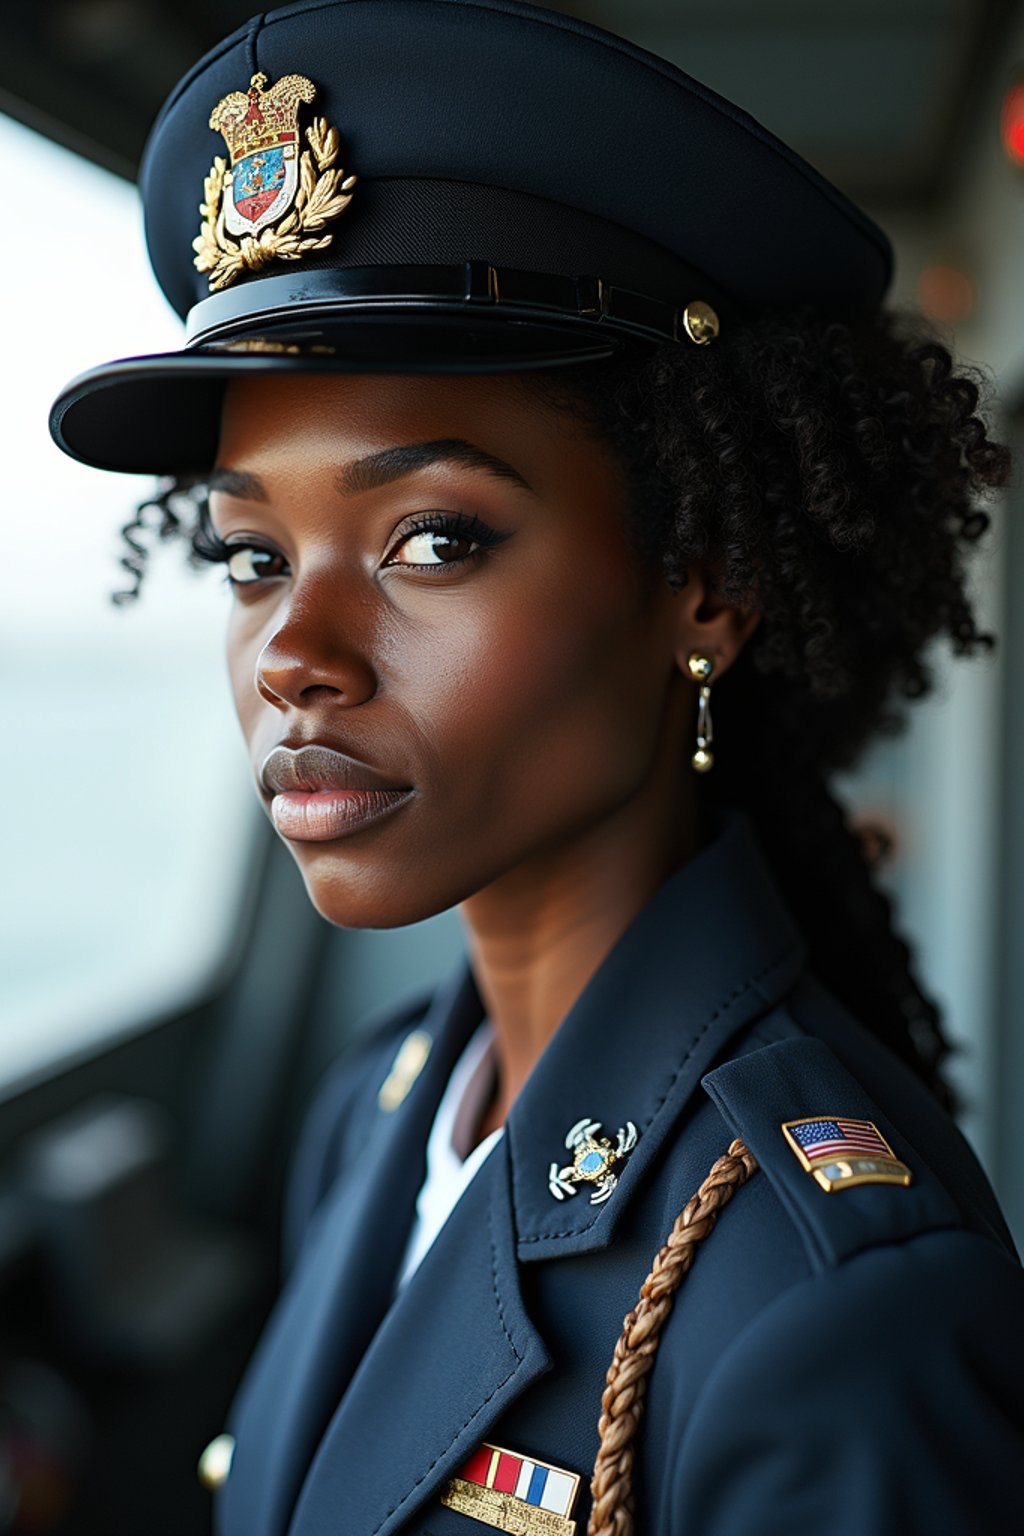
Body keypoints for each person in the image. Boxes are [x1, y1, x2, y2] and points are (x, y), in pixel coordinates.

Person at [48, 1, 1024, 1532]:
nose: (295, 651)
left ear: (703, 586)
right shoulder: (379, 1107)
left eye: (434, 539)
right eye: (250, 555)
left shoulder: (825, 1306)